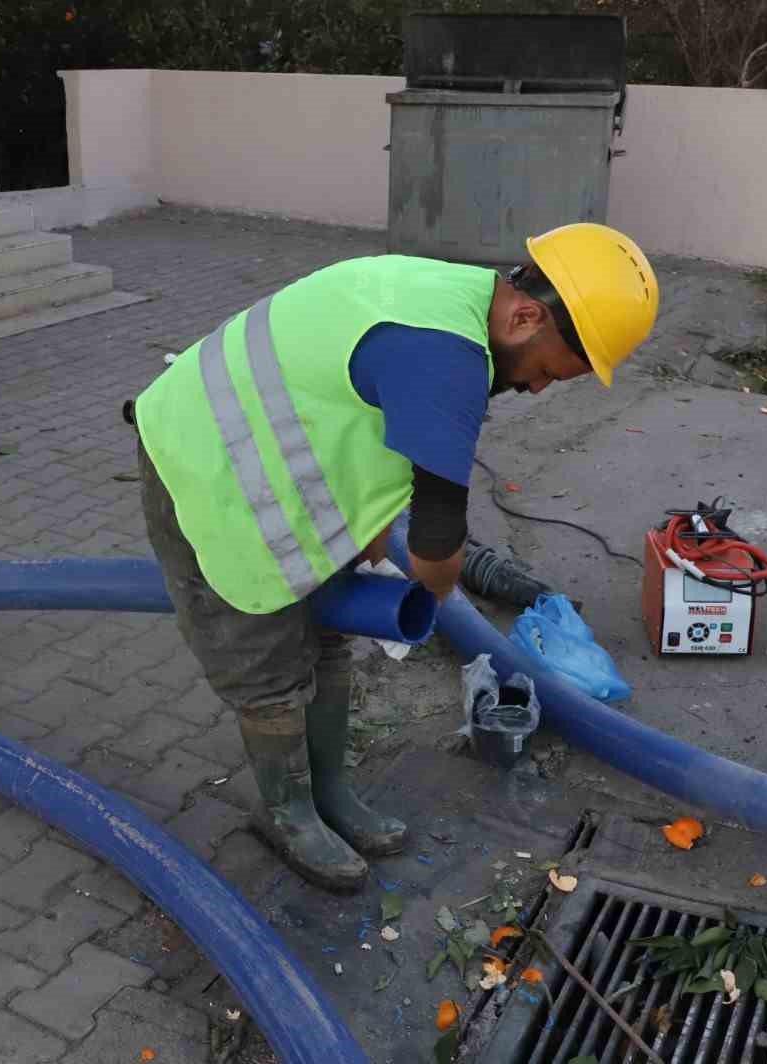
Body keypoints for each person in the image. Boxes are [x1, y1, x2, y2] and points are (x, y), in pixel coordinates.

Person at [132, 223, 658, 891]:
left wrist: (371, 528)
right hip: (203, 462)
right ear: (526, 318)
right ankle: (288, 813)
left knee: (328, 633)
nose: (537, 390)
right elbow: (438, 540)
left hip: (282, 465)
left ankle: (332, 793)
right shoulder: (446, 355)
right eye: (550, 371)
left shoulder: (458, 297)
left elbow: (379, 419)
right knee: (264, 658)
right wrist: (430, 597)